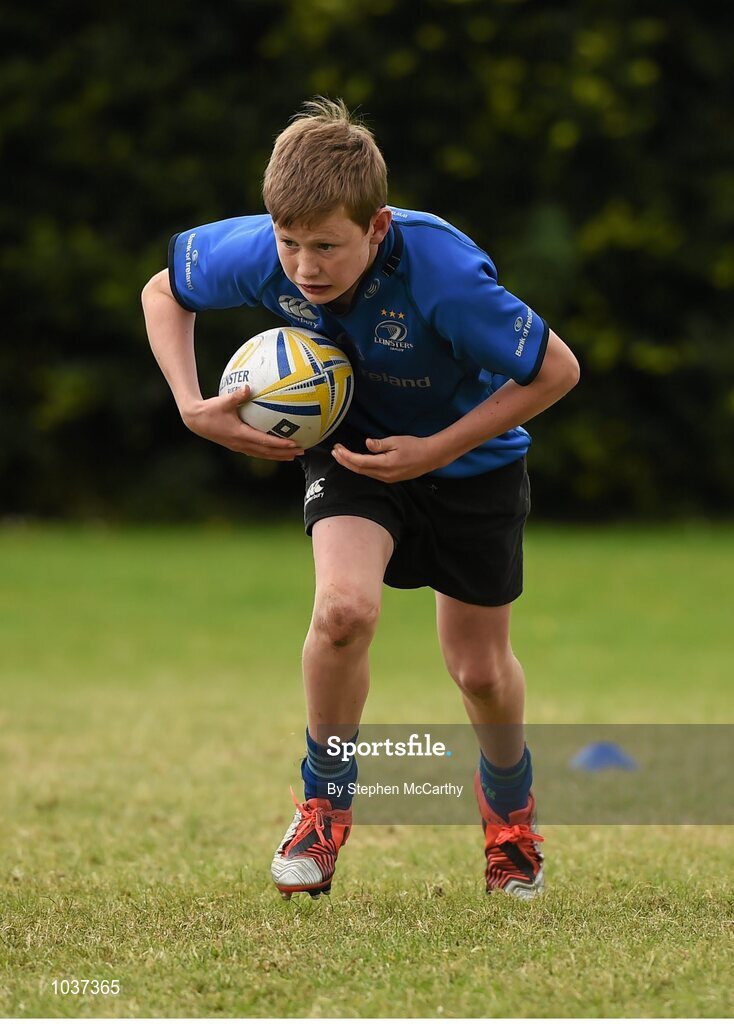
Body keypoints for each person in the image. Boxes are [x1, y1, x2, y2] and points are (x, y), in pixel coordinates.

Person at [142, 97, 580, 902]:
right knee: (343, 611)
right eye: (290, 243)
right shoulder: (266, 252)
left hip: (470, 462)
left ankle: (510, 820)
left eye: (327, 247)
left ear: (377, 228)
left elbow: (557, 371)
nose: (304, 266)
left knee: (478, 670)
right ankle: (321, 808)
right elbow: (162, 292)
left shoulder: (445, 276)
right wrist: (189, 401)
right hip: (348, 452)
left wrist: (439, 449)